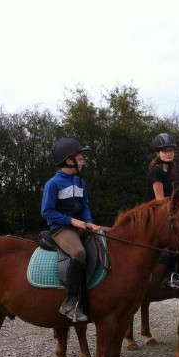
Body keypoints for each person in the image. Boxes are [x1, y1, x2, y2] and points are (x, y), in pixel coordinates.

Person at [41, 138, 102, 322]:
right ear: (69, 160)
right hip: (61, 229)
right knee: (78, 252)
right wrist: (73, 221)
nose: (83, 162)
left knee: (106, 238)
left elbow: (85, 206)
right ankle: (70, 302)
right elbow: (47, 212)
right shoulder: (53, 184)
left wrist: (89, 222)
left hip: (80, 226)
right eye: (80, 158)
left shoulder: (80, 182)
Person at [147, 132, 179, 288]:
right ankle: (169, 275)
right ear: (157, 153)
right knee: (176, 238)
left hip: (167, 211)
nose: (168, 153)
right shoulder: (156, 171)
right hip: (157, 212)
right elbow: (160, 199)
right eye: (165, 151)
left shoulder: (169, 171)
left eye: (171, 150)